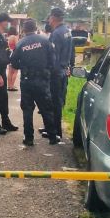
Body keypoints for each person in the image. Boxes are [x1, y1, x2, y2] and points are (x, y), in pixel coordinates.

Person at [10, 19, 59, 146]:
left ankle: (29, 138)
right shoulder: (45, 40)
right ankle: (53, 137)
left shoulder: (21, 44)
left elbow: (14, 63)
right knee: (46, 108)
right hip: (42, 80)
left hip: (27, 81)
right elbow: (53, 60)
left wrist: (24, 66)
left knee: (27, 110)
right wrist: (47, 70)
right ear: (36, 27)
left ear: (24, 30)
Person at [41, 8, 75, 140]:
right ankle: (51, 127)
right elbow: (72, 52)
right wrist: (70, 67)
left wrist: (48, 72)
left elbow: (53, 56)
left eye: (49, 17)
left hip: (55, 73)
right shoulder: (67, 31)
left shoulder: (56, 34)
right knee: (58, 101)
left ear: (53, 18)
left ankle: (55, 131)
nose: (48, 20)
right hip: (63, 70)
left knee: (54, 102)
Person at [7, 26, 19, 91]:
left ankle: (9, 85)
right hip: (14, 54)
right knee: (15, 71)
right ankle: (12, 86)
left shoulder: (9, 38)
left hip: (9, 54)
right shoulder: (14, 37)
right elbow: (17, 46)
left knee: (10, 71)